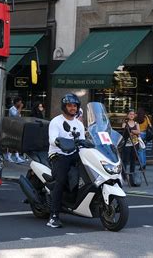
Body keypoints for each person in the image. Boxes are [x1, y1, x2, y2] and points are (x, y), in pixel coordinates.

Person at [47, 93, 85, 228]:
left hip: (74, 154)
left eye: (75, 106)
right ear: (64, 107)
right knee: (61, 181)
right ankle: (54, 216)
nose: (72, 108)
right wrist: (59, 142)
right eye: (70, 105)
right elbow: (52, 139)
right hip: (58, 155)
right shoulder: (56, 121)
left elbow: (83, 140)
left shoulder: (79, 124)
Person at [121, 109, 141, 178]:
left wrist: (131, 130)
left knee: (133, 159)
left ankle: (132, 175)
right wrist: (134, 131)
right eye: (130, 114)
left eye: (133, 114)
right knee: (125, 160)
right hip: (127, 143)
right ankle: (123, 176)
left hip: (135, 143)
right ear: (127, 115)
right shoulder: (125, 123)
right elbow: (124, 130)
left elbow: (139, 132)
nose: (132, 115)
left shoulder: (136, 123)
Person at [5, 97, 26, 163]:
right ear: (16, 102)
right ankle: (9, 156)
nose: (20, 103)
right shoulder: (12, 109)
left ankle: (16, 157)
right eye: (20, 102)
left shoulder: (16, 109)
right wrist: (20, 108)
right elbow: (16, 116)